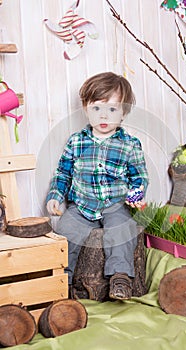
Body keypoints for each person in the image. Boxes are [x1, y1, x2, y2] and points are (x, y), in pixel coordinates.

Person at [46, 72, 148, 300]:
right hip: (81, 205)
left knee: (121, 231)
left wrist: (137, 194)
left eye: (112, 109)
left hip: (115, 205)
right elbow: (63, 172)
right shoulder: (76, 141)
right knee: (65, 234)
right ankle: (62, 281)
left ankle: (120, 277)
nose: (104, 116)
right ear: (85, 108)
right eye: (96, 108)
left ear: (124, 113)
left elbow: (139, 176)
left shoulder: (129, 145)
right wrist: (55, 195)